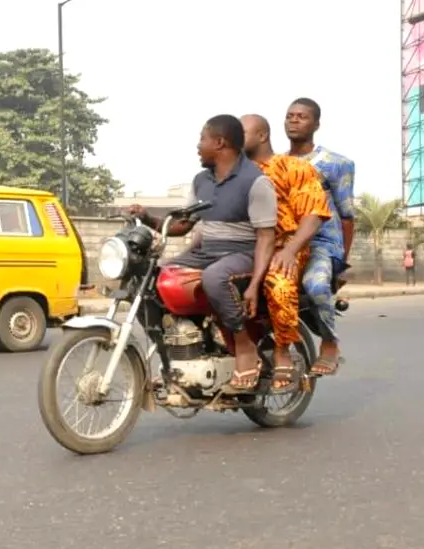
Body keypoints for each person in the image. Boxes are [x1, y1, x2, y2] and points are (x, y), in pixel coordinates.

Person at [126, 115, 277, 391]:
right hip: (207, 251)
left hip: (243, 252)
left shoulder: (255, 182)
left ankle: (245, 346)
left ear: (219, 143)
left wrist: (255, 283)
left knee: (214, 276)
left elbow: (266, 237)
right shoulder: (201, 181)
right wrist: (147, 217)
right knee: (149, 278)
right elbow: (182, 225)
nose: (198, 146)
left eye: (202, 139)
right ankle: (172, 355)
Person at [241, 114, 331, 392]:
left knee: (278, 282)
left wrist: (291, 250)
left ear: (262, 135)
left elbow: (314, 214)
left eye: (241, 132)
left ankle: (283, 348)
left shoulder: (292, 167)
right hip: (243, 249)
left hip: (285, 246)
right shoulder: (234, 172)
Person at [284, 98, 355, 377]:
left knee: (314, 285)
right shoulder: (275, 164)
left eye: (301, 116)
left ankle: (329, 343)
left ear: (316, 124)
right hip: (284, 243)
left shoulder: (336, 164)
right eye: (290, 116)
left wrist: (341, 264)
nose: (294, 120)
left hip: (321, 244)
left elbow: (347, 216)